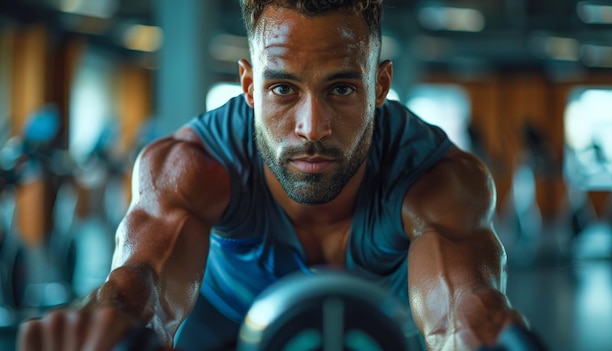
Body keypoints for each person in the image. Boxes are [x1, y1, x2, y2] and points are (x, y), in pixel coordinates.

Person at [18, 1, 529, 350]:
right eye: (283, 89)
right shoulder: (192, 167)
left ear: (380, 85)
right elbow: (140, 287)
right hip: (217, 335)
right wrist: (108, 321)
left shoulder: (435, 179)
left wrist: (476, 330)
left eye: (342, 89)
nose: (313, 128)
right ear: (248, 85)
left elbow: (457, 315)